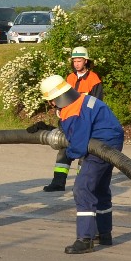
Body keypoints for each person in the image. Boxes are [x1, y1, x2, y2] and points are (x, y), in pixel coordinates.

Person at [40, 74, 125, 254]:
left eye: (51, 101)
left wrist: (67, 153)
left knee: (82, 188)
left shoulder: (72, 111)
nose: (52, 105)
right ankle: (104, 233)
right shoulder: (83, 99)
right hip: (112, 141)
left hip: (100, 146)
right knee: (100, 188)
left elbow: (78, 146)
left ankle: (85, 239)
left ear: (55, 99)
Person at [42, 46, 104, 192]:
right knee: (64, 149)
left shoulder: (94, 80)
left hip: (86, 122)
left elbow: (95, 103)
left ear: (86, 61)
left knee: (84, 152)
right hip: (70, 120)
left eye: (79, 61)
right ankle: (58, 182)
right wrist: (59, 110)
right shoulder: (69, 78)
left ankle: (81, 184)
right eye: (74, 61)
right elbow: (61, 97)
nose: (76, 64)